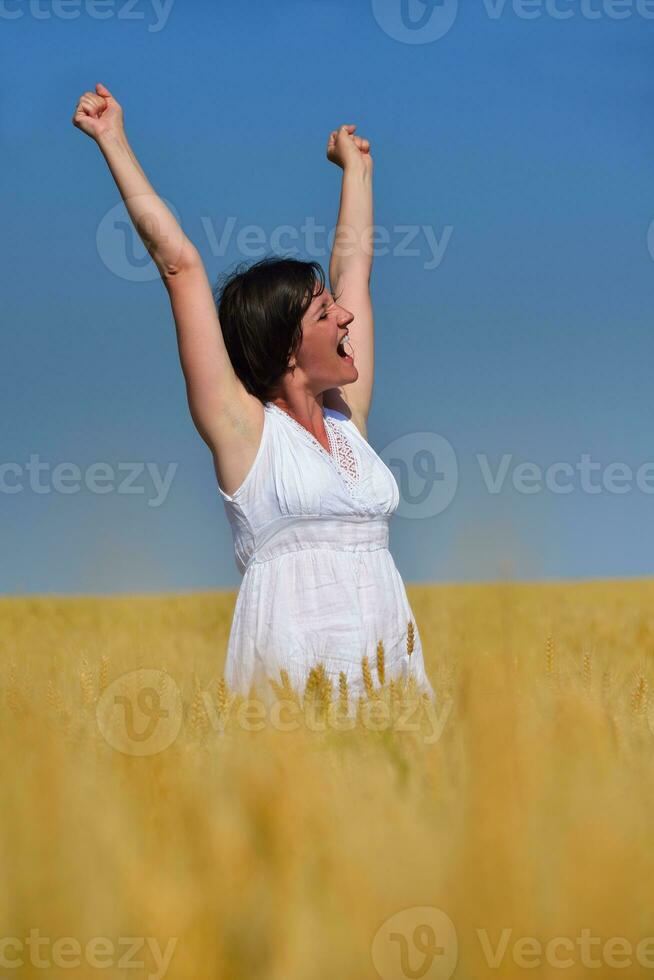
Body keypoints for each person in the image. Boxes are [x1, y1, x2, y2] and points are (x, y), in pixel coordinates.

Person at [73, 83, 435, 703]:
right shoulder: (245, 434)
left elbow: (355, 270)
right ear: (288, 347)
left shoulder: (349, 418)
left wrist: (356, 171)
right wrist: (113, 140)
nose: (346, 318)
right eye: (326, 314)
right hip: (290, 705)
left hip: (390, 687)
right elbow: (179, 266)